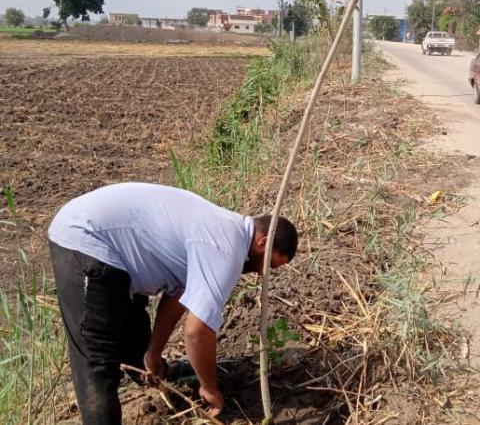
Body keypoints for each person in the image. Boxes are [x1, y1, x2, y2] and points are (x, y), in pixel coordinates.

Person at [48, 182, 298, 425]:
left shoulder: (224, 231)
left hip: (117, 253)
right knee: (97, 360)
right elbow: (197, 332)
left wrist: (153, 353)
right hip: (85, 237)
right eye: (268, 264)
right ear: (262, 242)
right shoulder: (226, 250)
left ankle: (149, 371)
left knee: (133, 329)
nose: (262, 273)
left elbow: (179, 294)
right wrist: (209, 388)